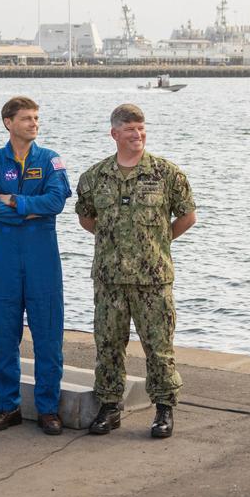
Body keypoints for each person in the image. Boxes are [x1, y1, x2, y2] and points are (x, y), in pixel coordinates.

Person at [75, 103, 196, 439]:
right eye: (130, 129)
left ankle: (163, 409)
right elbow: (86, 218)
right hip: (109, 279)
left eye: (141, 129)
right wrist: (113, 241)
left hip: (152, 279)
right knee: (108, 344)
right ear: (115, 133)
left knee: (158, 346)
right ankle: (110, 406)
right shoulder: (95, 177)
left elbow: (187, 216)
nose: (137, 135)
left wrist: (159, 241)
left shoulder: (166, 174)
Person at [0, 96, 71, 435]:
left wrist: (14, 201)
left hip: (42, 256)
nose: (33, 123)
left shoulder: (49, 160)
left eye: (36, 117)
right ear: (8, 122)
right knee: (5, 335)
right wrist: (30, 211)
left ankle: (48, 409)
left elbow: (56, 201)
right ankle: (8, 406)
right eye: (26, 118)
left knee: (47, 335)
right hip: (3, 258)